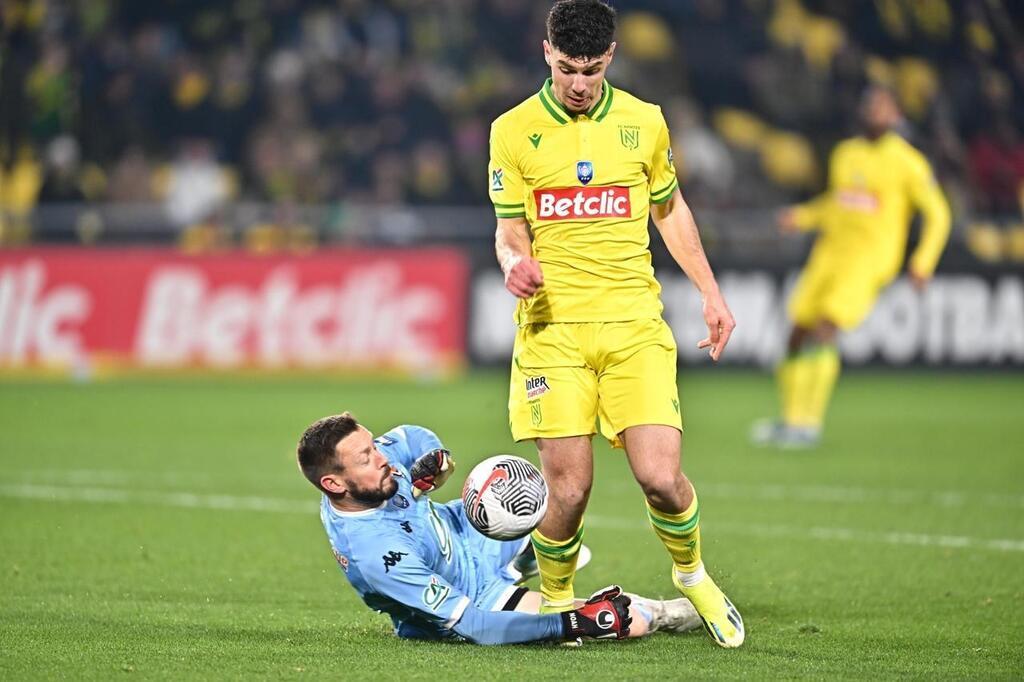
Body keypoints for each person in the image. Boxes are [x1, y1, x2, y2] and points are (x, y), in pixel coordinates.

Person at [488, 0, 743, 648]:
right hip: (553, 331)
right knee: (567, 492)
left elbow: (670, 208)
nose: (579, 83)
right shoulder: (513, 131)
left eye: (592, 70)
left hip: (633, 326)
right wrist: (515, 261)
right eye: (569, 68)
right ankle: (558, 604)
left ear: (611, 58)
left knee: (661, 478)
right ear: (547, 53)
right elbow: (509, 227)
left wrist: (711, 292)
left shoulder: (643, 122)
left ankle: (693, 577)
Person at [296, 412, 702, 645]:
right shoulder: (377, 557)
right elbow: (477, 626)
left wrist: (438, 461)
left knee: (553, 498)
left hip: (466, 530)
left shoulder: (371, 470)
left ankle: (520, 558)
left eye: (374, 446)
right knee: (624, 622)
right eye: (366, 457)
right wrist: (570, 625)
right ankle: (663, 611)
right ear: (334, 484)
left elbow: (414, 436)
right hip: (474, 594)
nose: (383, 458)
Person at [752, 86, 951, 449]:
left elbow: (939, 214)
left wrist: (923, 262)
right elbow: (839, 204)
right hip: (829, 254)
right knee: (797, 332)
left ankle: (807, 425)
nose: (876, 111)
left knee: (826, 327)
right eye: (871, 105)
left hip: (870, 260)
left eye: (884, 106)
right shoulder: (846, 153)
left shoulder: (908, 161)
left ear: (896, 115)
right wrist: (802, 216)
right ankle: (791, 418)